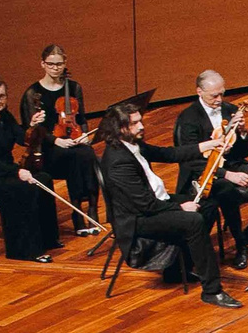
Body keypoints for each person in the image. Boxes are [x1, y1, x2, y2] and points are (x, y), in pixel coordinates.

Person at [99, 100, 237, 307]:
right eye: (135, 123)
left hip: (156, 203)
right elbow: (145, 205)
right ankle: (212, 290)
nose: (141, 126)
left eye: (140, 121)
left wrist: (207, 145)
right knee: (193, 221)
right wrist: (180, 207)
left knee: (207, 206)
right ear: (120, 128)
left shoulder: (131, 144)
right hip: (138, 219)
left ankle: (176, 269)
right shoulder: (117, 161)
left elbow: (168, 154)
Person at [175, 75, 248, 268]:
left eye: (221, 94)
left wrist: (242, 132)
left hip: (233, 164)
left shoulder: (231, 110)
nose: (219, 100)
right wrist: (227, 175)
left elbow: (244, 151)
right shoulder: (188, 119)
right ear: (199, 92)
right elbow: (190, 161)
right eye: (214, 96)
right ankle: (240, 244)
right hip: (202, 173)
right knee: (227, 191)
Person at [0, 75, 61, 261]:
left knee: (43, 178)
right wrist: (16, 171)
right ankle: (26, 250)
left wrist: (32, 126)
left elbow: (22, 138)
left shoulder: (4, 116)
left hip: (5, 169)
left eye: (2, 96)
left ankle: (47, 239)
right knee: (22, 188)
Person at [16, 44, 102, 231]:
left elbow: (81, 118)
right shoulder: (32, 93)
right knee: (77, 157)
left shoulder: (74, 87)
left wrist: (84, 135)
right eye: (51, 64)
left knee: (87, 153)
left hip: (73, 141)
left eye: (59, 64)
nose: (55, 68)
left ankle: (92, 208)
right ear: (42, 64)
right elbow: (32, 131)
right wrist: (56, 140)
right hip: (47, 149)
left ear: (65, 64)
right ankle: (80, 210)